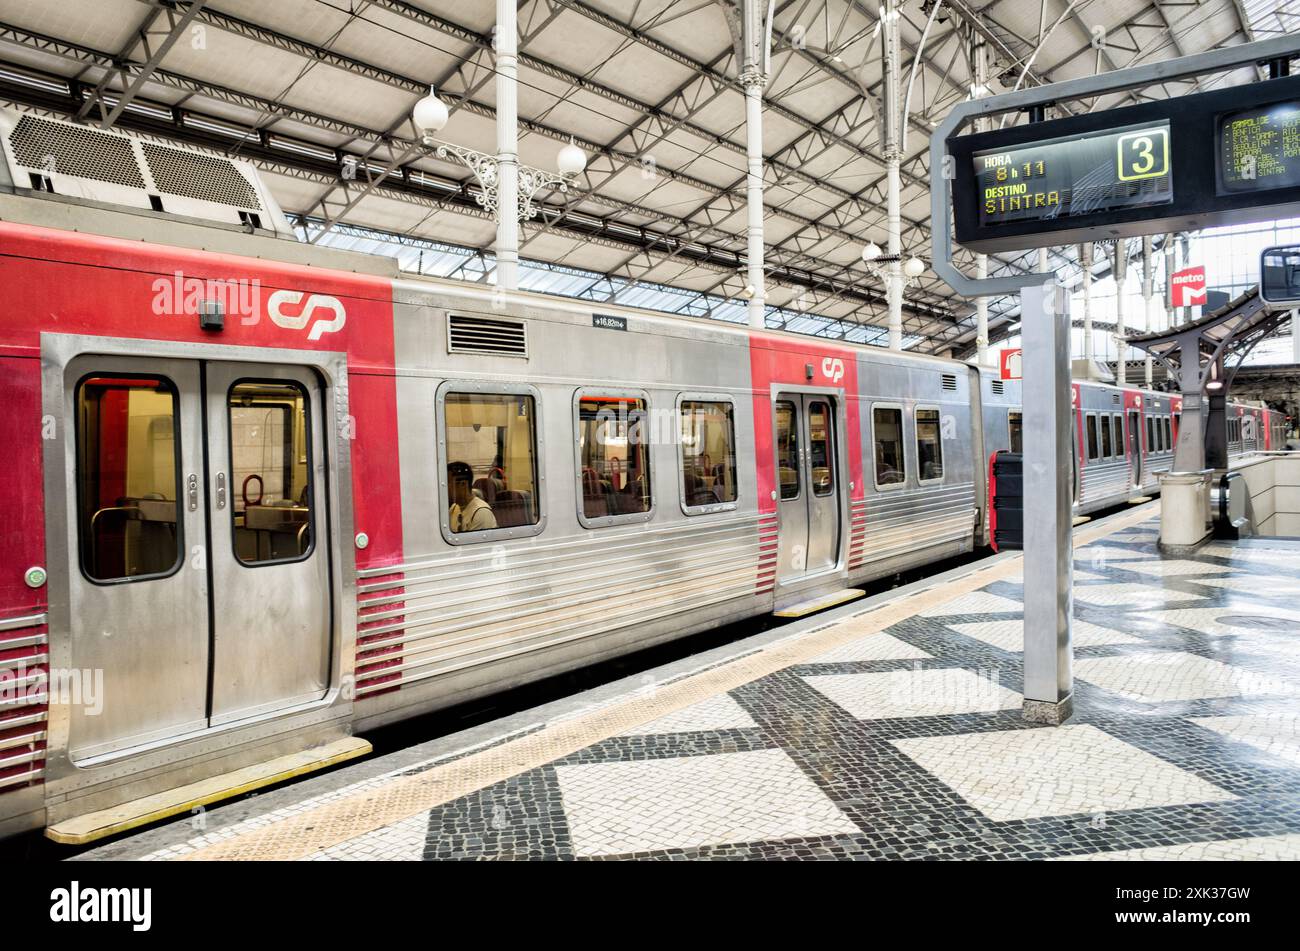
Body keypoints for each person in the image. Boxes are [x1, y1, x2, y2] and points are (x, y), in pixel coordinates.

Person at [448, 461, 497, 533]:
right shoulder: (454, 508)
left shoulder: (481, 513)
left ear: (463, 484)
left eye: (448, 483)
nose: (444, 488)